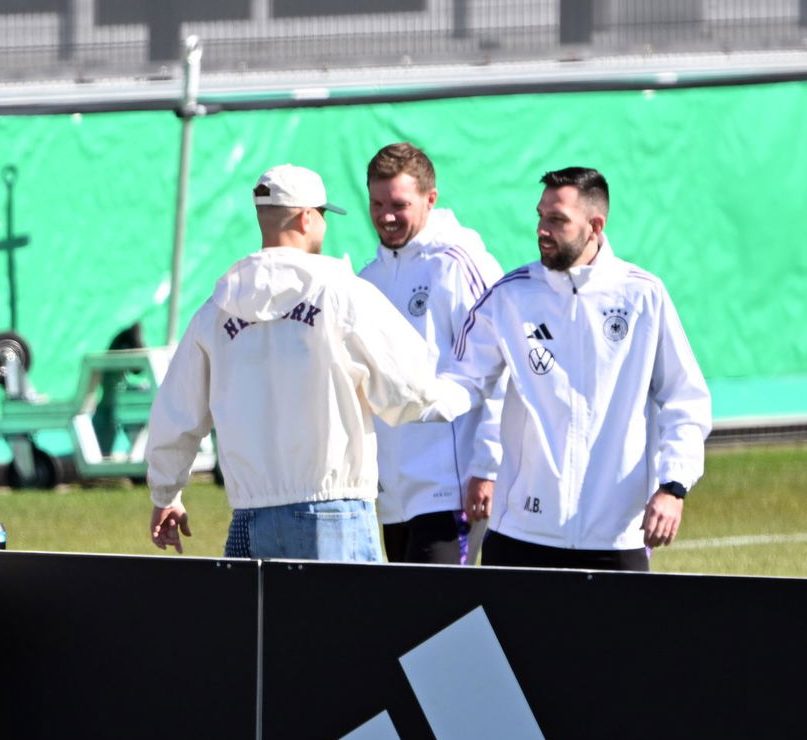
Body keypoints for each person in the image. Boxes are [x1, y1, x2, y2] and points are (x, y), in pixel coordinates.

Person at [145, 163, 477, 562]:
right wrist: (462, 392)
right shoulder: (343, 292)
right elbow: (406, 390)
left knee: (263, 625)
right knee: (342, 625)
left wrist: (166, 493)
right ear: (307, 217)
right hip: (335, 510)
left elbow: (176, 412)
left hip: (250, 512)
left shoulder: (217, 308)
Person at [457, 167, 711, 571]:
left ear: (595, 226)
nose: (542, 229)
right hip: (520, 534)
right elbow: (460, 383)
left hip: (615, 540)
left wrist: (673, 486)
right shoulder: (511, 296)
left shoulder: (643, 295)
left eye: (557, 220)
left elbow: (686, 401)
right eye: (540, 216)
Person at [359, 142, 505, 565]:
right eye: (377, 203)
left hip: (450, 487)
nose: (386, 216)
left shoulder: (458, 264)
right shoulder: (369, 279)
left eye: (399, 204)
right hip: (393, 495)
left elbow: (500, 369)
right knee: (408, 621)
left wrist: (488, 467)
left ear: (430, 199)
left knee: (441, 618)